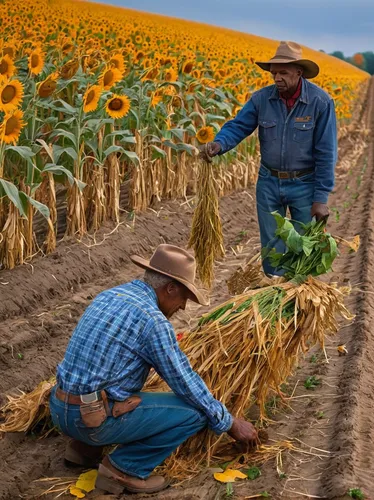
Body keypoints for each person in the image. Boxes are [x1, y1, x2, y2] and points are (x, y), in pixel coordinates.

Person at [49, 244, 258, 495]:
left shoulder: (109, 295)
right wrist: (229, 422)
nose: (182, 307)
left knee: (122, 389)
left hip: (60, 409)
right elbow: (184, 381)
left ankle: (82, 450)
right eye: (183, 298)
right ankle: (123, 470)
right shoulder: (152, 320)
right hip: (89, 421)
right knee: (196, 413)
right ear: (170, 288)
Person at [201, 41, 337, 275]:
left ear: (299, 72)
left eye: (283, 72)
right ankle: (274, 294)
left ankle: (298, 299)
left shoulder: (320, 103)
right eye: (274, 73)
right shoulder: (261, 99)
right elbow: (238, 126)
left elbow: (326, 152)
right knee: (272, 246)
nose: (277, 78)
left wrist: (321, 197)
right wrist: (219, 143)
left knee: (303, 247)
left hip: (304, 184)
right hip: (269, 182)